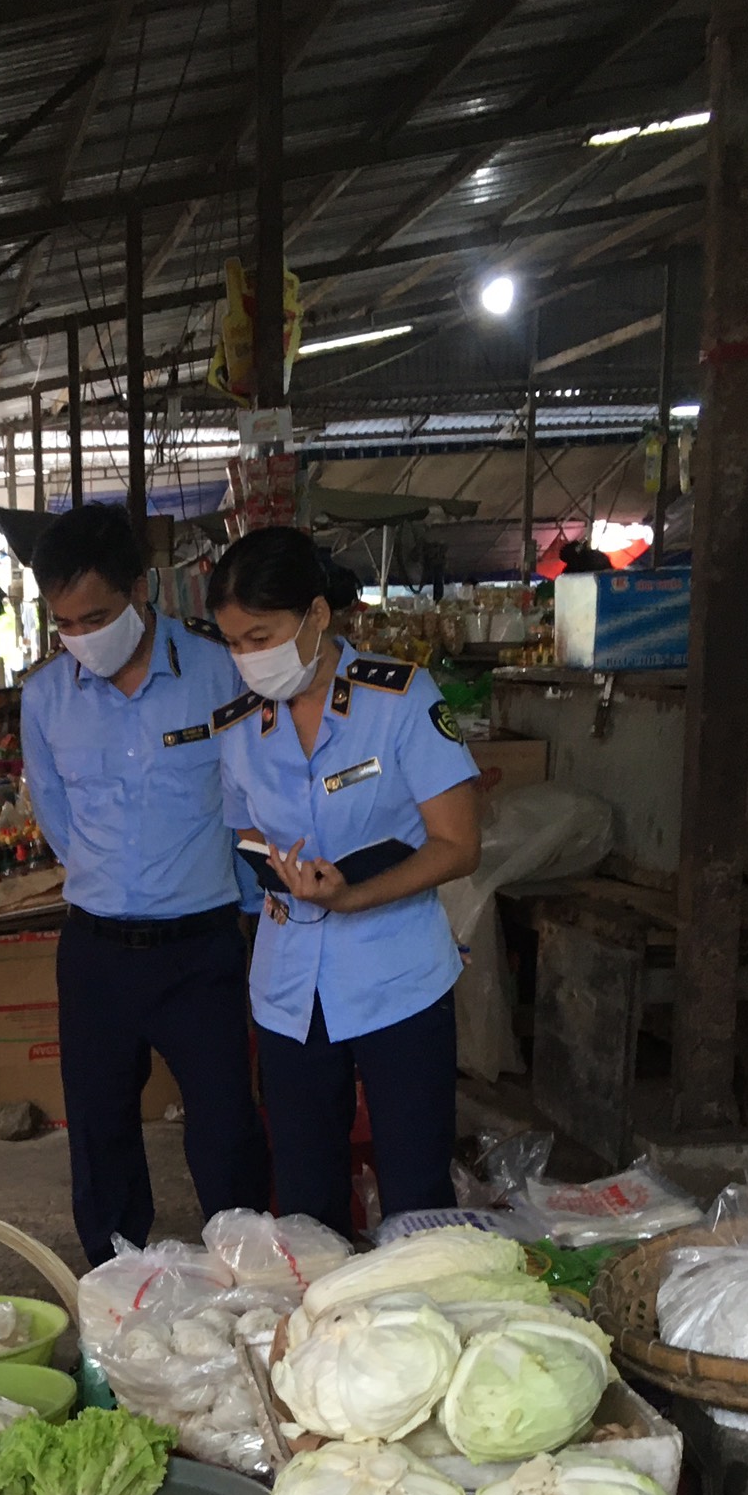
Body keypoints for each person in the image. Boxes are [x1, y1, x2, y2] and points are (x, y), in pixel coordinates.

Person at [206, 525, 481, 1238]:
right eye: (232, 643)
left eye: (261, 636)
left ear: (318, 615)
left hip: (398, 979)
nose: (247, 657)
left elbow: (458, 845)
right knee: (304, 1198)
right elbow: (245, 834)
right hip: (289, 987)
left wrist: (351, 895)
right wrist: (275, 872)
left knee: (416, 1192)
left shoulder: (401, 699)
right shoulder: (239, 726)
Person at [20, 504, 270, 1264]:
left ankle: (245, 1278)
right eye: (65, 623)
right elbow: (58, 819)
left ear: (140, 588)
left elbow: (252, 804)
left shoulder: (221, 673)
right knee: (100, 1136)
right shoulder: (46, 698)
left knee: (226, 1129)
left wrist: (247, 916)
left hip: (201, 950)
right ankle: (117, 1281)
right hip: (95, 953)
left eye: (96, 617)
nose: (82, 637)